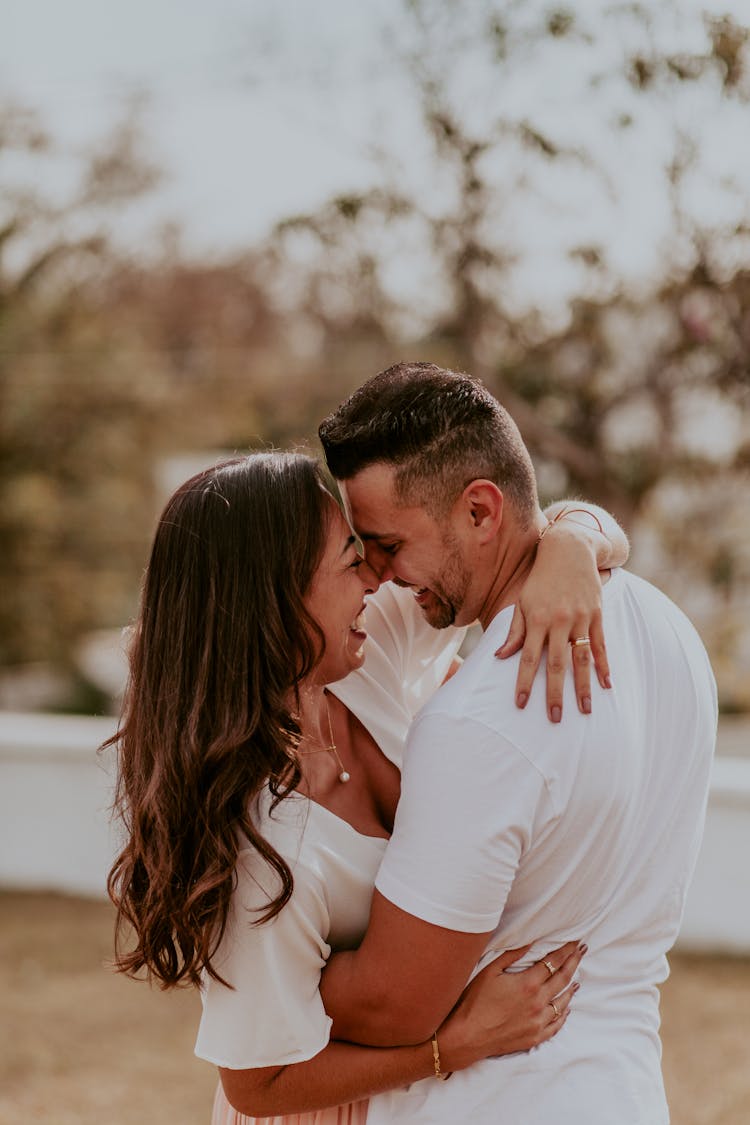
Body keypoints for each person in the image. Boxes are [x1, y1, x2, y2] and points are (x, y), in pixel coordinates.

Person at [106, 451, 628, 1124]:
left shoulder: (365, 648)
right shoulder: (259, 849)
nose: (377, 578)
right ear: (278, 600)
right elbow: (256, 1083)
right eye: (351, 563)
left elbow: (505, 534)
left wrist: (571, 544)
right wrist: (452, 1046)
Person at [315, 361, 718, 1124]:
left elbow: (393, 1007)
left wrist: (245, 965)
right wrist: (575, 530)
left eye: (389, 543)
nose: (381, 575)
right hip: (624, 1091)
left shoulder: (479, 717)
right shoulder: (664, 624)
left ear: (480, 510)